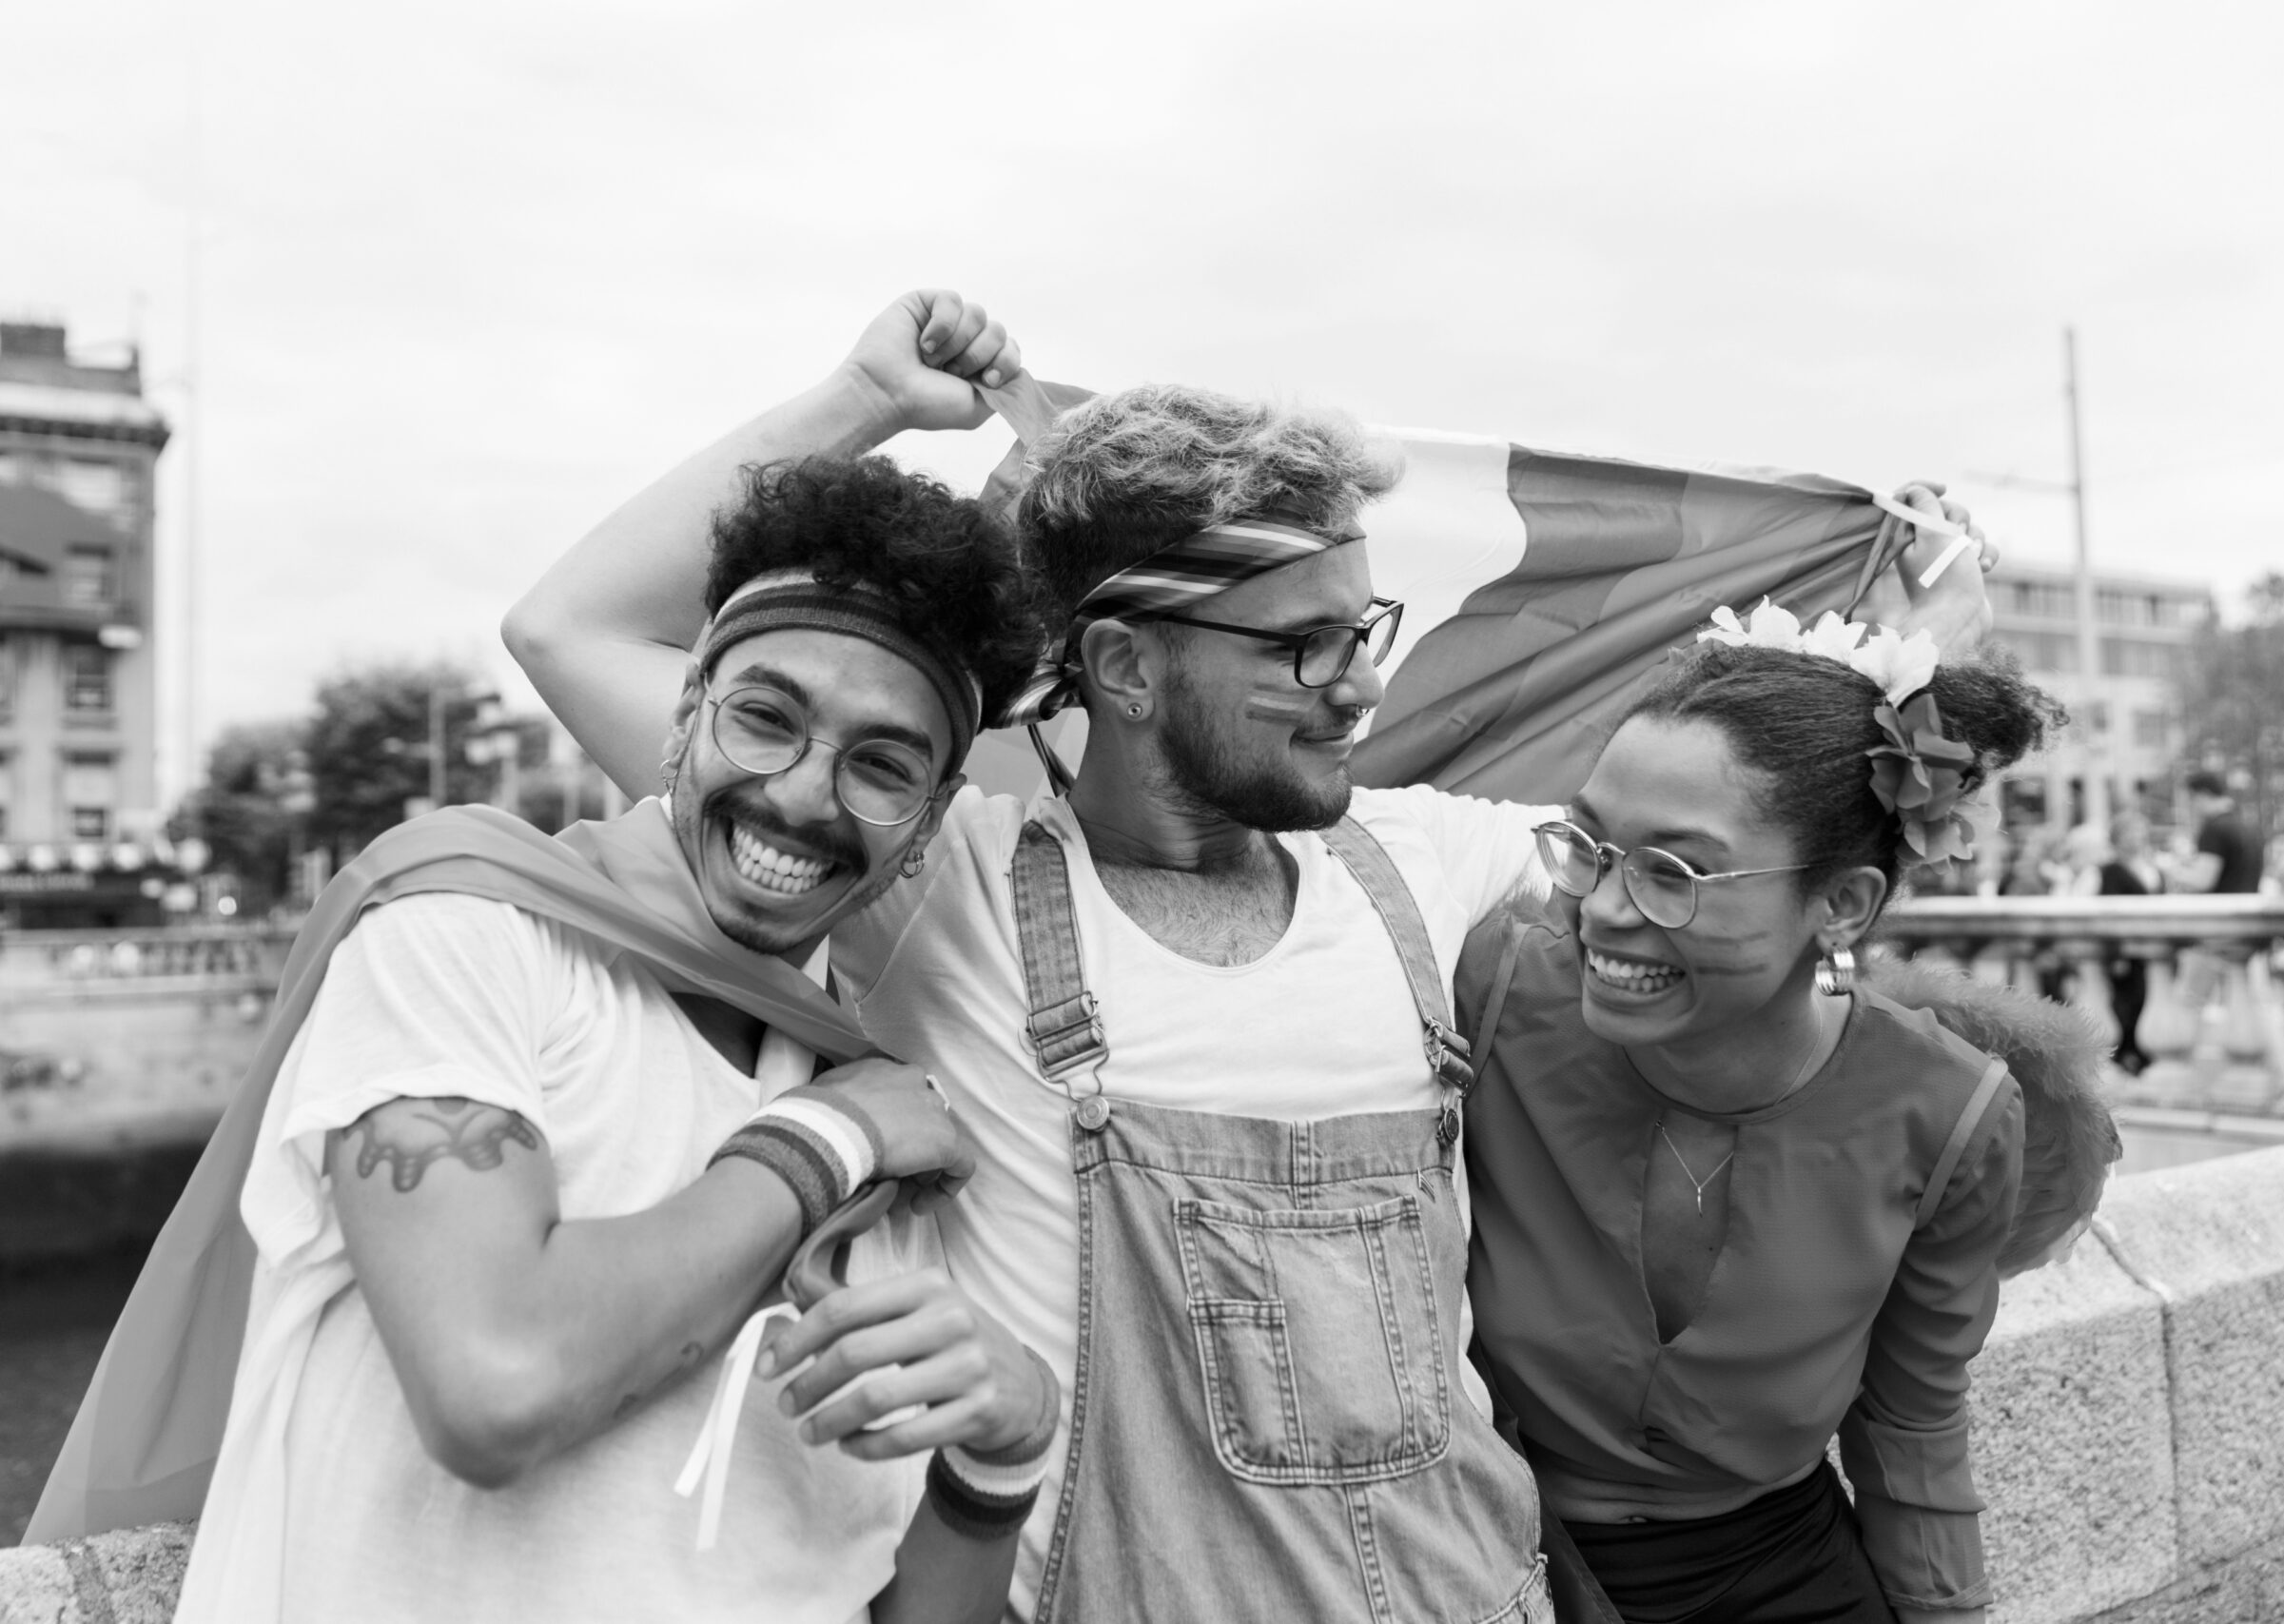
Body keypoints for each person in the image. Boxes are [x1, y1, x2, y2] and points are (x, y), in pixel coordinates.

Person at [504, 289, 2000, 1621]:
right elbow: (569, 626)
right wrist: (867, 402)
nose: (1360, 683)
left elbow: (1727, 842)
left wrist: (1910, 645)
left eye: (1367, 629)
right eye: (1301, 644)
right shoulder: (930, 878)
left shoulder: (1426, 867)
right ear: (1127, 663)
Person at [131, 447, 1064, 1624]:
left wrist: (1003, 1459)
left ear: (927, 826)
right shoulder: (472, 933)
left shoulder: (888, 1113)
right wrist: (819, 1144)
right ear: (686, 716)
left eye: (881, 767)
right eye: (766, 719)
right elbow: (495, 1384)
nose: (802, 794)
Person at [1452, 617, 2070, 1624]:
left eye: (1674, 872)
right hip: (1497, 1567)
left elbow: (1910, 1420)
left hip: (1785, 1581)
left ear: (1842, 903)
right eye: (1591, 848)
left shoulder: (1949, 1114)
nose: (1603, 909)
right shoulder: (1491, 996)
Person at [2096, 811, 2160, 1074]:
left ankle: (2143, 1054)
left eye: (2139, 831)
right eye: (2129, 832)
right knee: (2128, 1002)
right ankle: (2126, 1055)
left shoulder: (2152, 866)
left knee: (2149, 998)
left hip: (2153, 947)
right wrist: (2116, 952)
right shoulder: (2111, 869)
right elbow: (2109, 909)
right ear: (2117, 838)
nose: (2136, 837)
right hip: (2126, 949)